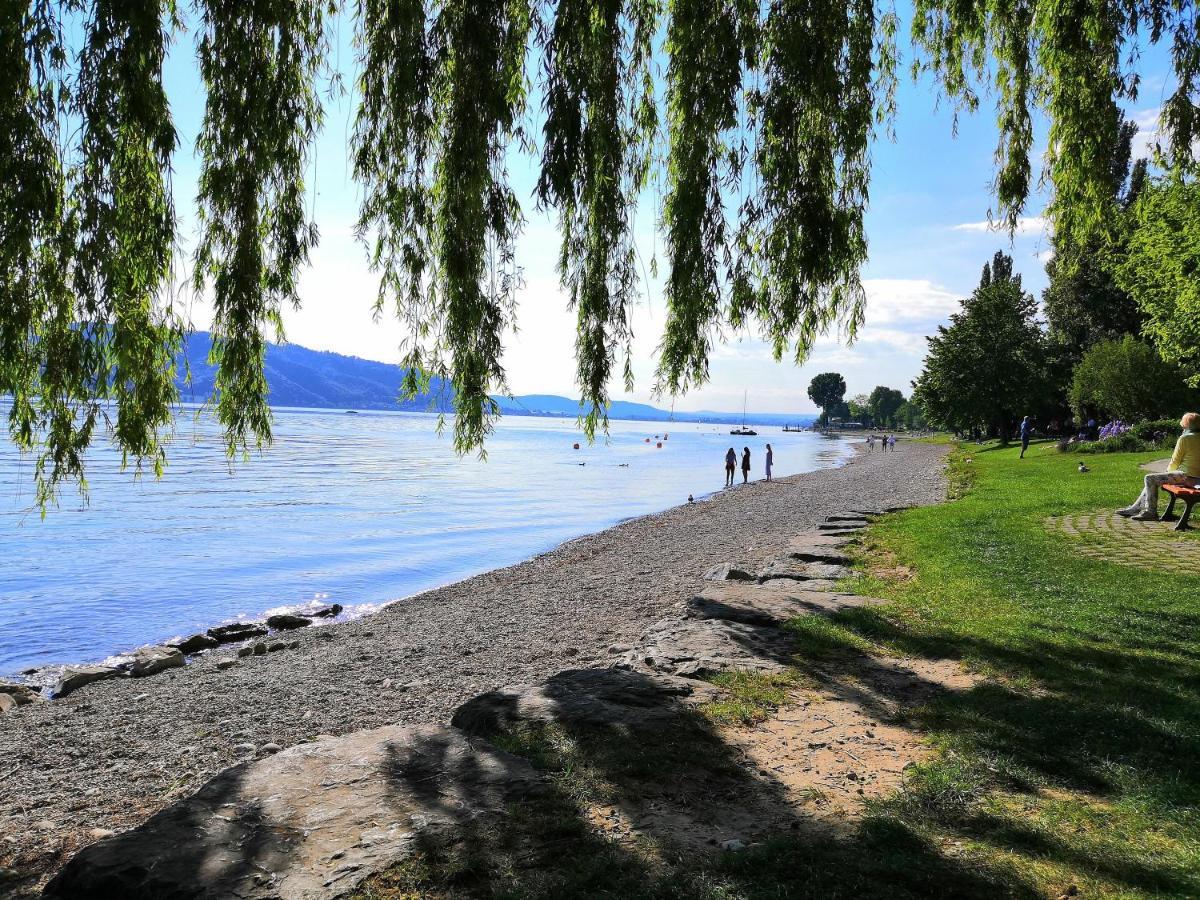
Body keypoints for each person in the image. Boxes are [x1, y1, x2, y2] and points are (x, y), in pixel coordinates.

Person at [1117, 413, 1200, 520]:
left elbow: (1175, 461)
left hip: (1187, 478)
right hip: (1198, 479)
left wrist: (1167, 472)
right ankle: (1135, 508)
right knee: (1154, 478)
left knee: (1150, 478)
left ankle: (1150, 512)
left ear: (1186, 424)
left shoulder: (1185, 438)